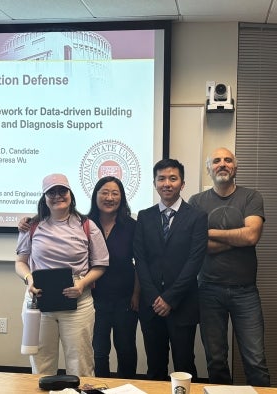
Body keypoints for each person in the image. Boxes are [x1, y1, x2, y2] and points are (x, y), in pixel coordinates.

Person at [19, 176, 140, 378]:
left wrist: (82, 283)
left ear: (70, 194)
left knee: (81, 364)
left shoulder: (86, 225)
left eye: (62, 191)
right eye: (51, 192)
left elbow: (102, 263)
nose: (57, 196)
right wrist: (29, 279)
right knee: (42, 363)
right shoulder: (32, 226)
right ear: (44, 197)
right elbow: (20, 261)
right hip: (41, 303)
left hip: (81, 302)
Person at [187, 147, 270, 386]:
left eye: (227, 160)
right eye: (216, 161)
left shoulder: (252, 197)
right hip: (208, 290)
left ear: (235, 167)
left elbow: (252, 236)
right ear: (208, 169)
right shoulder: (196, 201)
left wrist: (210, 232)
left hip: (245, 292)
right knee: (215, 360)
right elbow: (197, 246)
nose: (222, 164)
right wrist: (238, 239)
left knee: (255, 359)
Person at [133, 158, 208, 381]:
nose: (167, 183)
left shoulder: (197, 217)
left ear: (182, 184)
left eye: (173, 178)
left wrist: (170, 298)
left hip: (183, 303)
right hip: (151, 305)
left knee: (185, 365)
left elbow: (195, 261)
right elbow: (140, 260)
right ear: (155, 183)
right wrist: (155, 297)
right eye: (162, 178)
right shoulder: (144, 217)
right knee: (155, 367)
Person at [87, 177, 140, 378]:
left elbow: (140, 263)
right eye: (104, 192)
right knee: (99, 351)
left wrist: (136, 294)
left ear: (122, 197)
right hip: (93, 299)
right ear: (96, 195)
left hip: (125, 298)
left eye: (115, 193)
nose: (109, 197)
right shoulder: (83, 224)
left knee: (126, 349)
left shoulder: (132, 226)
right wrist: (29, 222)